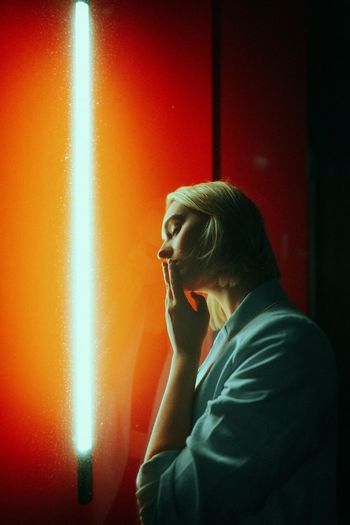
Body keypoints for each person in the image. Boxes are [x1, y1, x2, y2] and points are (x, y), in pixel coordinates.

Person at [135, 180, 338, 524]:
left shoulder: (283, 342)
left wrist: (185, 356)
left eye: (175, 228)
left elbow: (165, 507)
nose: (162, 251)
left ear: (221, 226)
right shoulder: (236, 342)